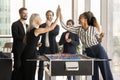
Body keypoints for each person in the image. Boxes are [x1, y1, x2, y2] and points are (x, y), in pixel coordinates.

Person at [59, 7, 113, 80]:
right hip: (89, 52)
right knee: (94, 74)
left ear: (85, 20)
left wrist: (101, 37)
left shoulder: (93, 29)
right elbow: (65, 26)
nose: (78, 19)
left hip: (98, 50)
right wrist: (60, 14)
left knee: (106, 73)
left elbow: (98, 40)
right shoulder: (78, 29)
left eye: (80, 18)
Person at [21, 7, 59, 80]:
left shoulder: (30, 29)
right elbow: (51, 28)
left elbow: (25, 41)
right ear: (36, 20)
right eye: (40, 18)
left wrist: (35, 44)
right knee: (30, 75)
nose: (41, 20)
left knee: (27, 74)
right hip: (30, 54)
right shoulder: (36, 30)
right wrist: (58, 16)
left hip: (27, 53)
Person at [38, 10, 60, 80]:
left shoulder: (56, 26)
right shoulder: (42, 25)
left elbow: (54, 33)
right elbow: (39, 33)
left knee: (51, 67)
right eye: (48, 15)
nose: (49, 16)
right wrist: (46, 27)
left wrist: (49, 26)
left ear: (53, 16)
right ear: (46, 16)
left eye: (50, 15)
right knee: (41, 67)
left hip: (52, 49)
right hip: (43, 49)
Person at [11, 7, 28, 80]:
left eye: (27, 13)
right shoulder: (15, 24)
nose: (26, 15)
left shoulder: (27, 26)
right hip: (18, 50)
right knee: (17, 67)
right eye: (24, 13)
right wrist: (25, 38)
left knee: (24, 68)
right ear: (20, 14)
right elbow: (15, 36)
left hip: (26, 50)